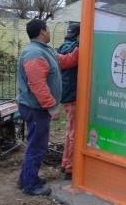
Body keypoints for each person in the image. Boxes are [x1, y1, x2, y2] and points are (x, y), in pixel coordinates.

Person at [16, 19, 79, 196]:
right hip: (37, 109)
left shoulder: (45, 50)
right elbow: (37, 84)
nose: (50, 31)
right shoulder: (34, 54)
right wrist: (51, 107)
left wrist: (81, 49)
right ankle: (31, 184)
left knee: (34, 145)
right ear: (42, 32)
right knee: (37, 146)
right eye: (48, 29)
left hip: (38, 108)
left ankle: (25, 178)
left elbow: (65, 62)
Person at [57, 23, 80, 181]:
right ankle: (70, 169)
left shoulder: (62, 46)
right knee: (74, 134)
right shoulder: (75, 48)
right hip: (72, 96)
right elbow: (71, 61)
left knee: (69, 131)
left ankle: (65, 164)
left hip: (65, 96)